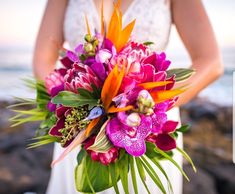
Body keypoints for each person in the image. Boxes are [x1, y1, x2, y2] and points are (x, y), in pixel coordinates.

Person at [33, 0, 224, 193]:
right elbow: (42, 61)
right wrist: (75, 108)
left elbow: (211, 62)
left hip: (149, 123)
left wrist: (147, 107)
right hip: (82, 128)